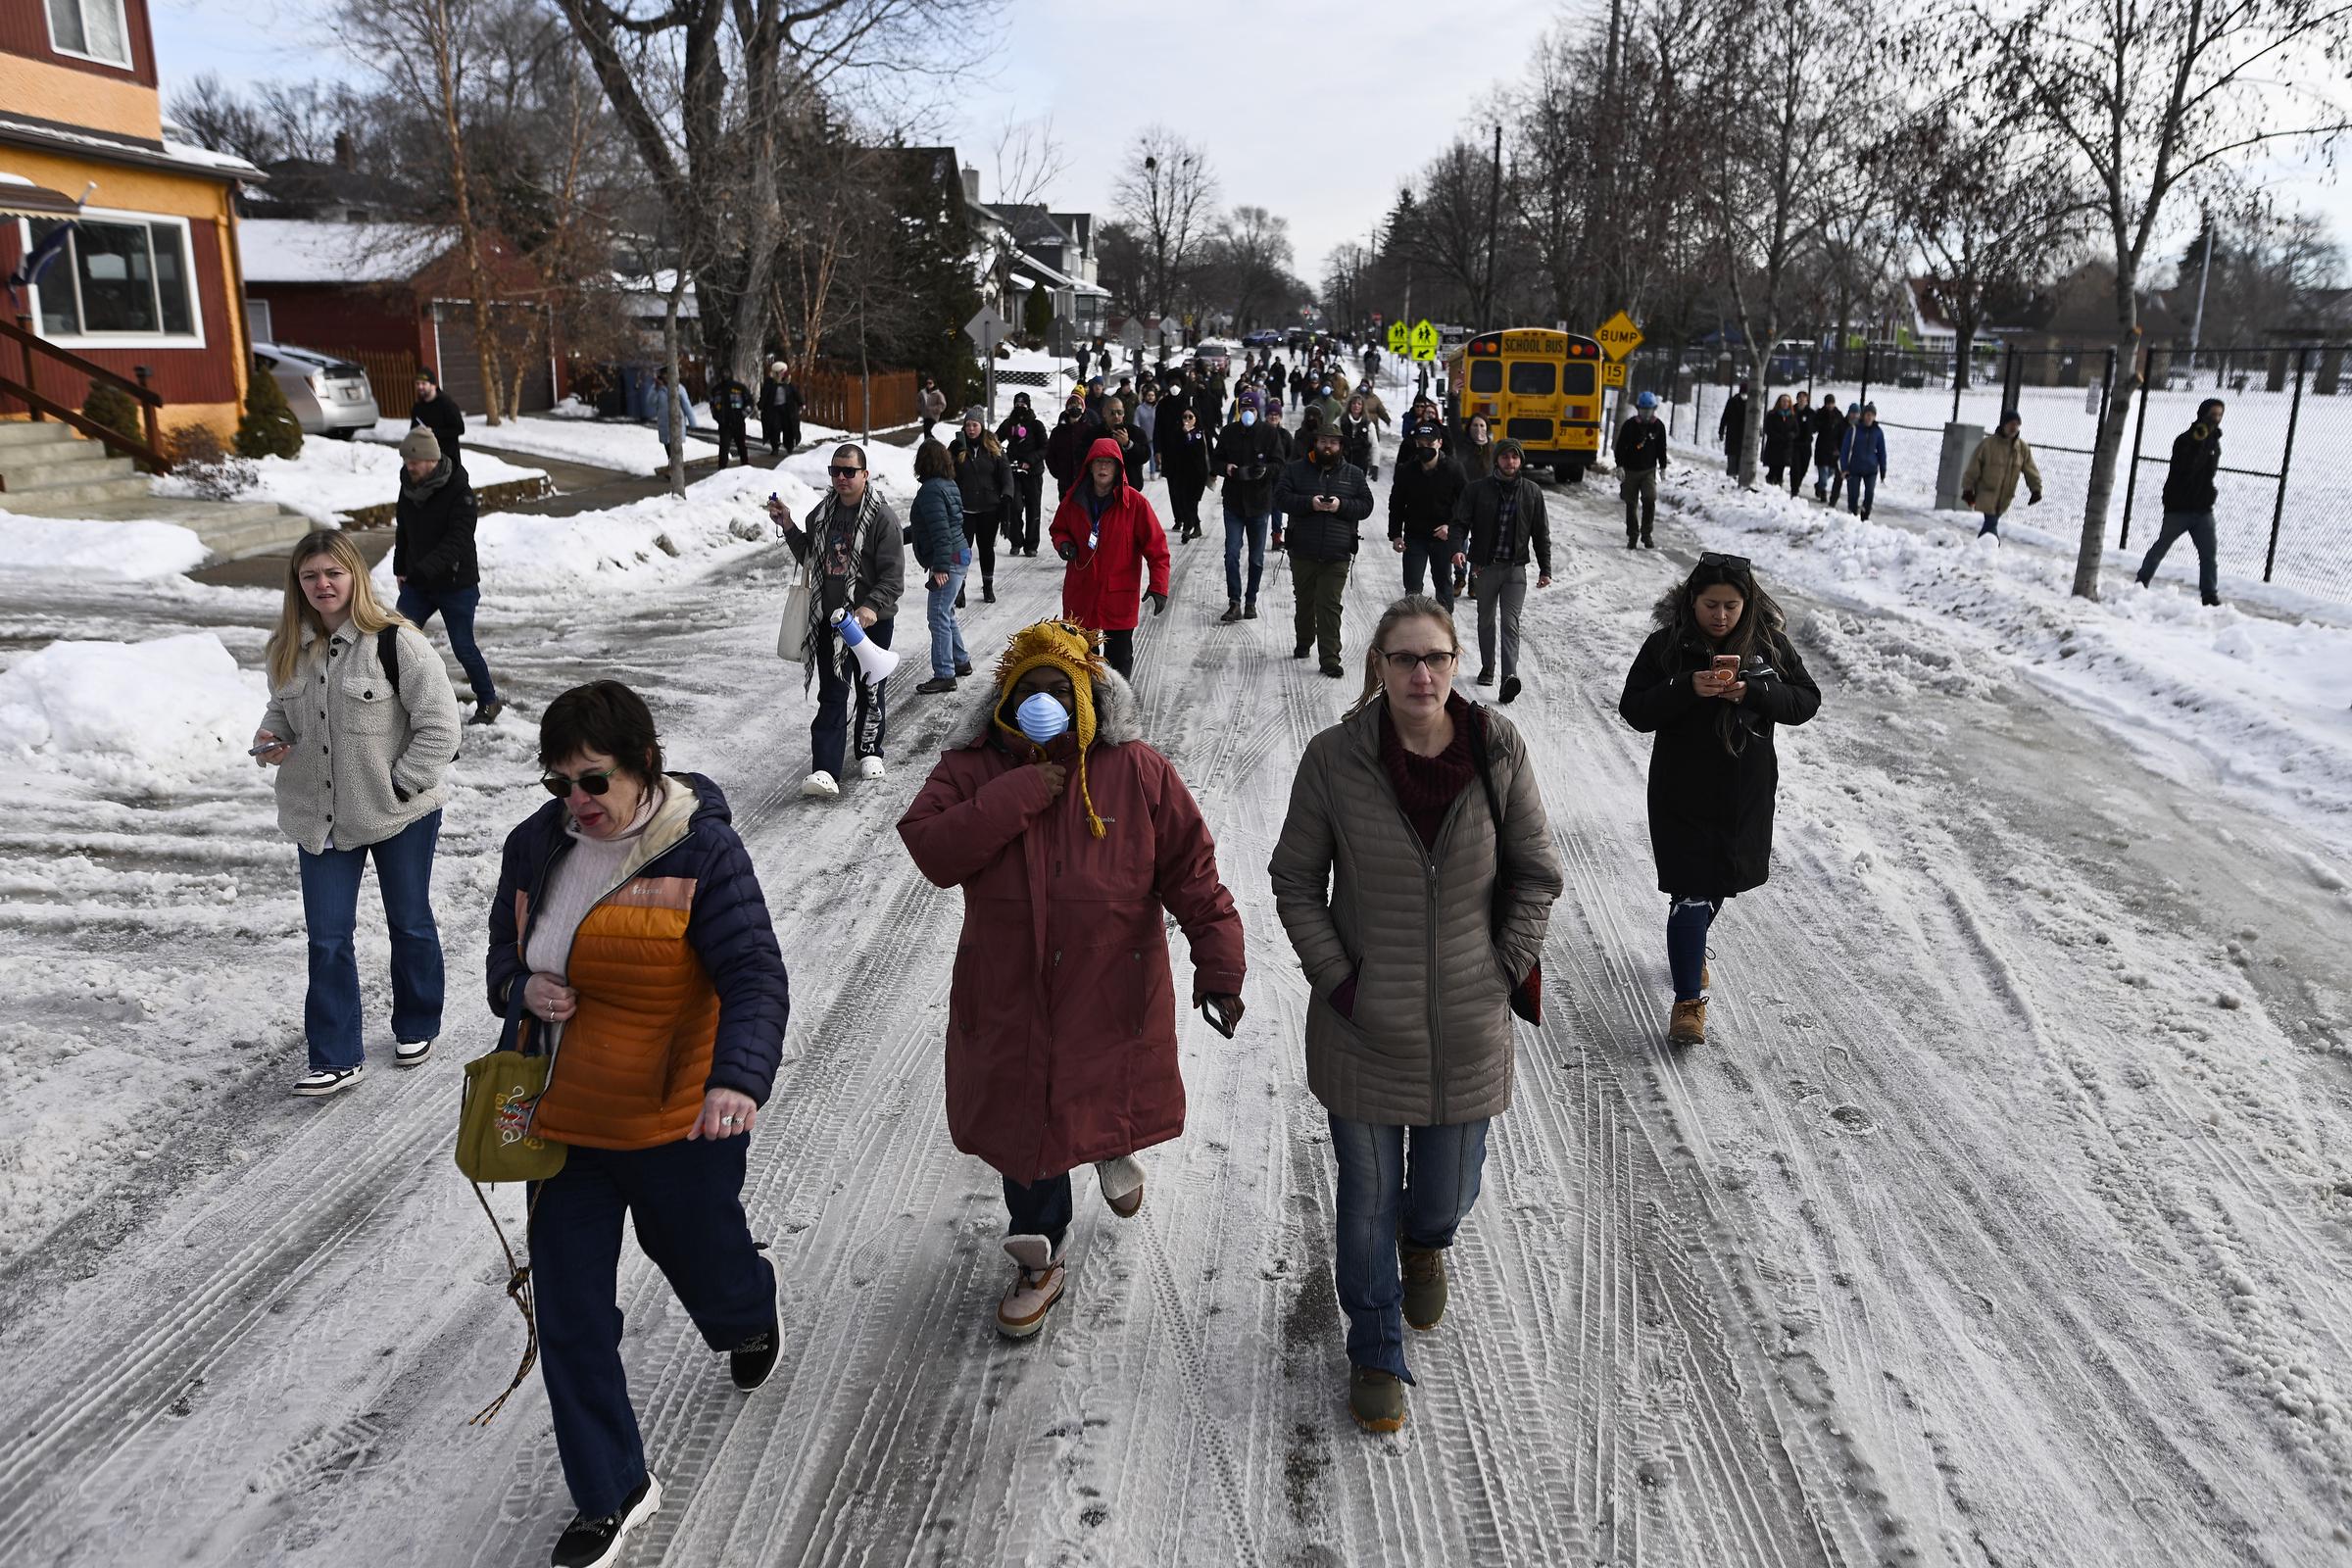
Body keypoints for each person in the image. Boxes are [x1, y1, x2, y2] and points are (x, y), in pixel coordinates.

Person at [486, 680, 789, 1568]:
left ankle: (747, 1312)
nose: (576, 804)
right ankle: (611, 1492)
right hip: (567, 1123)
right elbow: (502, 960)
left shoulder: (705, 854)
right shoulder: (535, 846)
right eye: (558, 786)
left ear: (643, 766)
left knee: (707, 1263)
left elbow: (756, 977)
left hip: (675, 1121)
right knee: (573, 1315)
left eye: (593, 782)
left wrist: (737, 1079)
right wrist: (521, 988)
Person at [898, 619, 1245, 1339]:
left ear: (1089, 694)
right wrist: (1022, 790)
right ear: (1004, 698)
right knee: (1026, 1120)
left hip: (1110, 989)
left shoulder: (1139, 770)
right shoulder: (973, 768)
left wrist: (1220, 965)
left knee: (1095, 1087)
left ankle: (1110, 1149)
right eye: (1029, 689)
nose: (1044, 701)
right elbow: (931, 848)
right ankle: (1039, 1255)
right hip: (1008, 992)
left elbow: (1193, 873)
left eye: (1060, 688)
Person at [1268, 594, 1564, 1435]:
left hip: (1470, 1026)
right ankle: (1374, 1346)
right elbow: (1295, 879)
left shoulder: (1497, 748)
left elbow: (1537, 871)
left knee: (1443, 1192)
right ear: (1380, 668)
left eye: (1435, 657)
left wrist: (1501, 970)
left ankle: (1428, 1241)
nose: (1421, 674)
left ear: (1456, 659)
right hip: (1363, 1030)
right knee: (1366, 1203)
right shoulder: (1335, 759)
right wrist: (1341, 981)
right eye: (1403, 659)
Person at [252, 529, 462, 1096]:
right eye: (309, 576)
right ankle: (335, 1054)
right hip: (318, 815)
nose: (322, 584)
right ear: (298, 585)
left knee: (409, 921)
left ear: (354, 577)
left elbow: (442, 726)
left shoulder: (397, 642)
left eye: (333, 573)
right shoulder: (288, 649)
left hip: (397, 812)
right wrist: (270, 739)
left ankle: (417, 1021)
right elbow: (280, 715)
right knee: (327, 937)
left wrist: (401, 784)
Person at [1618, 554, 1821, 1048]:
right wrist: (1687, 687)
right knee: (1690, 889)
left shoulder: (1768, 646)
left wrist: (1753, 692)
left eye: (1732, 605)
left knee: (1720, 884)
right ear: (1692, 601)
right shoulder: (1666, 646)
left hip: (1743, 793)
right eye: (1712, 605)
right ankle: (1688, 1002)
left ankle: (1690, 947)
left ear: (1747, 604)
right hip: (1680, 791)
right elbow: (1635, 709)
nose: (1722, 615)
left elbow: (1805, 700)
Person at [769, 443, 905, 798]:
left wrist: (871, 607)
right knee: (832, 693)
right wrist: (788, 526)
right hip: (830, 622)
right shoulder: (823, 513)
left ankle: (870, 751)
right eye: (836, 471)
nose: (841, 478)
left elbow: (893, 577)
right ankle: (825, 769)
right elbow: (810, 556)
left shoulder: (882, 518)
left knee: (870, 689)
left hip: (870, 622)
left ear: (865, 474)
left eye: (849, 471)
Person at [388, 427, 504, 726]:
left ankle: (488, 701)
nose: (408, 466)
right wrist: (401, 566)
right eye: (406, 461)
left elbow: (459, 541)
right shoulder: (408, 486)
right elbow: (404, 530)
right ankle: (394, 703)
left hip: (456, 584)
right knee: (394, 638)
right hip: (418, 583)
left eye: (413, 461)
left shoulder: (459, 493)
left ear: (430, 460)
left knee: (463, 645)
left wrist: (422, 570)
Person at [1051, 437, 1171, 680]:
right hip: (1081, 594)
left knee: (1119, 663)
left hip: (1118, 596)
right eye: (1098, 463)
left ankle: (1119, 711)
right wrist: (1063, 543)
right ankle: (1088, 712)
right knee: (1082, 663)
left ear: (1118, 468)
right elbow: (1058, 528)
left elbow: (1157, 547)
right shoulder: (1073, 500)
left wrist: (1159, 585)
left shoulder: (1135, 504)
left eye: (1108, 463)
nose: (1103, 468)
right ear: (1090, 466)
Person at [1451, 438, 1552, 704]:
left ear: (1521, 461)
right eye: (1506, 457)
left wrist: (1545, 568)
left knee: (1510, 623)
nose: (1511, 462)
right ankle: (1488, 667)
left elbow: (1541, 532)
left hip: (1516, 570)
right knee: (1485, 619)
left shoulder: (1532, 492)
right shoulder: (1477, 490)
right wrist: (1457, 549)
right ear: (1497, 460)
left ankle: (1509, 678)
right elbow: (1460, 523)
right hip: (1485, 567)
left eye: (1515, 458)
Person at [1273, 422, 1375, 679]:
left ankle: (1330, 657)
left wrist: (1341, 505)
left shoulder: (1353, 474)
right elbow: (1280, 498)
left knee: (1329, 604)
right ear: (1315, 443)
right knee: (1305, 601)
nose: (1327, 446)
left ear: (1341, 446)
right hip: (1302, 549)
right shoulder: (1295, 470)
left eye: (1333, 442)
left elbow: (1366, 506)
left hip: (1337, 551)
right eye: (1322, 441)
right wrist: (1310, 504)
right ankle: (1304, 640)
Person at [2136, 398, 2225, 606]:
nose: (2216, 419)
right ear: (2202, 414)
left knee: (2209, 554)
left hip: (2203, 509)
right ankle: (2141, 582)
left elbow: (2208, 473)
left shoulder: (2214, 442)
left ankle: (2209, 595)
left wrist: (2208, 444)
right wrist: (2199, 444)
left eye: (2219, 415)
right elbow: (2186, 469)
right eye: (2212, 414)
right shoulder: (2185, 440)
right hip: (2179, 507)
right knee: (2161, 548)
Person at [1214, 388, 1285, 622]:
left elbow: (1279, 464)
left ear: (1258, 411)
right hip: (1234, 503)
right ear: (1238, 410)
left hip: (1259, 503)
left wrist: (1265, 471)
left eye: (1251, 409)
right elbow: (1214, 461)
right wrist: (1227, 468)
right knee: (1231, 554)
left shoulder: (1269, 433)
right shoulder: (1228, 432)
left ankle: (1251, 600)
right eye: (1244, 409)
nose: (1247, 413)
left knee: (1256, 558)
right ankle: (1234, 601)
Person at [909, 439, 970, 695]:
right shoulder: (948, 484)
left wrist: (940, 567)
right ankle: (960, 661)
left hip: (949, 560)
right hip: (959, 554)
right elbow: (929, 526)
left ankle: (945, 674)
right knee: (946, 613)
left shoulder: (931, 490)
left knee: (937, 616)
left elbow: (941, 532)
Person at [1389, 420, 1465, 610]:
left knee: (1444, 585)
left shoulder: (1454, 469)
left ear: (1439, 443)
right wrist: (1395, 534)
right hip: (1415, 536)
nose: (1425, 449)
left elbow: (1465, 504)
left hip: (1442, 537)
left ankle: (1447, 630)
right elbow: (1396, 503)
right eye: (1421, 444)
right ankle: (1413, 627)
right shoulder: (1406, 470)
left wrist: (1450, 526)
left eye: (1429, 444)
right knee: (1412, 587)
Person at [950, 411, 1012, 605]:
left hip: (989, 509)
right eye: (968, 425)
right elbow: (945, 471)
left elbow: (1006, 474)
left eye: (974, 425)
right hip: (964, 509)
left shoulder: (993, 448)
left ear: (982, 426)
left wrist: (1007, 496)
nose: (970, 429)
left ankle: (988, 586)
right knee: (962, 551)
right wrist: (951, 453)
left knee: (986, 549)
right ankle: (960, 589)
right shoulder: (958, 447)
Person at [1960, 409, 2044, 538]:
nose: (2014, 427)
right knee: (1991, 523)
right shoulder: (1987, 445)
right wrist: (1967, 489)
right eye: (2011, 424)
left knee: (1991, 524)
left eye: (2016, 424)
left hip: (2005, 496)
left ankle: (1981, 549)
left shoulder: (2022, 448)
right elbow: (1973, 468)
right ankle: (1989, 549)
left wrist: (2036, 490)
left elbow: (2030, 470)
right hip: (1987, 493)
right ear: (2003, 424)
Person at [997, 392, 1050, 556]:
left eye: (1023, 404)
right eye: (1017, 404)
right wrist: (1002, 455)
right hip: (1013, 473)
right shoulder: (1008, 424)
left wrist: (1030, 460)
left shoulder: (1036, 425)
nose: (1020, 407)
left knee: (1034, 510)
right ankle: (1016, 541)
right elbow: (994, 441)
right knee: (1014, 506)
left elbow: (1045, 448)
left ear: (1029, 405)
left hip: (1033, 473)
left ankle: (1031, 546)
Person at [1614, 390, 1668, 549]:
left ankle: (1646, 534)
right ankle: (1632, 534)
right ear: (1638, 409)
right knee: (1631, 503)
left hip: (1648, 470)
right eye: (1644, 410)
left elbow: (1661, 448)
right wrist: (1620, 466)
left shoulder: (1658, 427)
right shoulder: (1629, 425)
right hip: (1630, 471)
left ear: (1654, 410)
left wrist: (1663, 467)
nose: (1646, 413)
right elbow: (1620, 447)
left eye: (1649, 410)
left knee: (1649, 499)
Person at [1163, 404, 1212, 544]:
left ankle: (1188, 527)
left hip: (1198, 474)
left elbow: (1209, 452)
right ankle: (1195, 525)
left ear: (1196, 419)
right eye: (1185, 417)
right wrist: (1183, 434)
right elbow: (1173, 451)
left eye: (1190, 417)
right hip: (1181, 473)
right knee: (1184, 502)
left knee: (1192, 501)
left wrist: (1213, 471)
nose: (1187, 419)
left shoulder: (1202, 433)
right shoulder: (1177, 433)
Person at [1046, 390, 1101, 501]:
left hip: (1085, 481)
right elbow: (1050, 453)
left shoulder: (1090, 430)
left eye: (1078, 405)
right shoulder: (1058, 431)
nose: (1075, 408)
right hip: (1065, 482)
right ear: (1067, 409)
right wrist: (1058, 472)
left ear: (1083, 408)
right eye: (1071, 405)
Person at [1838, 403, 1886, 520]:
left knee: (1869, 493)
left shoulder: (1878, 432)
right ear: (1863, 415)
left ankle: (1865, 514)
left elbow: (1882, 451)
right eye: (1867, 414)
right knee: (1853, 494)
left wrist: (1883, 468)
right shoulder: (1853, 430)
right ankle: (1853, 513)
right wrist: (1844, 468)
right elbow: (1845, 450)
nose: (1869, 417)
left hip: (1871, 468)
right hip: (1854, 468)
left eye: (1872, 415)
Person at [409, 368, 465, 459]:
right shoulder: (417, 407)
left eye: (424, 384)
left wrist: (433, 432)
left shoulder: (446, 404)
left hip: (447, 458)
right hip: (425, 458)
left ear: (433, 385)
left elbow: (459, 429)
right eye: (418, 384)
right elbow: (413, 430)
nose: (420, 387)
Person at [1103, 396, 1152, 490]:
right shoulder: (1095, 433)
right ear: (1104, 413)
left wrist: (1128, 444)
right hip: (1104, 488)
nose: (1116, 416)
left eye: (1119, 412)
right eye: (1112, 413)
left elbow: (1145, 455)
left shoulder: (1136, 432)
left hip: (1131, 486)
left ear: (1124, 413)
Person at [710, 370, 755, 467]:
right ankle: (721, 469)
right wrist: (718, 418)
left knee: (741, 446)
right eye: (723, 373)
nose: (724, 375)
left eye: (726, 373)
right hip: (724, 424)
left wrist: (742, 414)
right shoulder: (716, 390)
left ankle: (745, 466)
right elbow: (712, 406)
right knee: (724, 447)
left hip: (738, 422)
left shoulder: (739, 388)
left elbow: (750, 402)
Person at [760, 360, 803, 456]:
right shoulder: (769, 383)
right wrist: (761, 405)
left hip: (787, 410)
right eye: (780, 372)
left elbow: (796, 394)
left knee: (788, 429)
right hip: (774, 410)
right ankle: (775, 447)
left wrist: (801, 403)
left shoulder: (789, 383)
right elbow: (765, 395)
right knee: (774, 428)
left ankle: (789, 447)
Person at [653, 368, 694, 466]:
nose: (666, 377)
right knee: (668, 448)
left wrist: (692, 422)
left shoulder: (679, 388)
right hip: (664, 424)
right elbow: (650, 402)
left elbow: (687, 406)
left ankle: (676, 470)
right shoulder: (658, 389)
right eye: (664, 375)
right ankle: (673, 468)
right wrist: (655, 389)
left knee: (676, 448)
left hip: (677, 423)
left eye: (668, 375)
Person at [1339, 392, 1381, 481]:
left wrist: (1375, 465)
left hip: (1361, 465)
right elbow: (1332, 436)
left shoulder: (1368, 424)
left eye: (1359, 404)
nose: (1356, 406)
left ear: (1362, 407)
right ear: (1350, 405)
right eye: (1353, 403)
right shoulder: (1341, 421)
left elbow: (1374, 446)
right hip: (1342, 464)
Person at [1760, 392, 1798, 489]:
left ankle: (1778, 485)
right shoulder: (1772, 414)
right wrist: (1778, 437)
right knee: (1773, 467)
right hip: (1774, 446)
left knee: (1781, 468)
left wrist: (1791, 435)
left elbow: (1796, 430)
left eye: (1787, 401)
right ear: (1779, 402)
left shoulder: (1792, 416)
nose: (1785, 403)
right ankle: (1770, 483)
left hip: (1785, 447)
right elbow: (1768, 429)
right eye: (1783, 401)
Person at [1810, 394, 1843, 502]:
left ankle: (1819, 485)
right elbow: (1814, 427)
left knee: (1831, 471)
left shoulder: (1838, 415)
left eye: (1832, 403)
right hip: (1822, 446)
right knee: (1823, 471)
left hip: (1833, 448)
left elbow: (1842, 430)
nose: (1830, 405)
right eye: (1828, 403)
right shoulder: (1820, 414)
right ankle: (1823, 491)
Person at [1718, 381, 1749, 477]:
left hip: (1744, 437)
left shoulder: (1751, 404)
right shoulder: (1732, 402)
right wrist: (1721, 431)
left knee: (1741, 462)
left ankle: (1737, 478)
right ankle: (1731, 479)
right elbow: (1725, 417)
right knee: (1732, 461)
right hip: (1733, 436)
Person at [1786, 390, 1812, 496]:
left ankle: (1798, 482)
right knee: (1795, 467)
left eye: (1804, 397)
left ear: (1807, 399)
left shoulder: (1810, 413)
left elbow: (1815, 425)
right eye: (1800, 397)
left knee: (1804, 467)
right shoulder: (1792, 410)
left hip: (1806, 444)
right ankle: (1794, 489)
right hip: (1795, 444)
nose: (1802, 399)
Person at [917, 375, 947, 440]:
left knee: (928, 430)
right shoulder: (923, 392)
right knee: (926, 432)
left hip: (933, 416)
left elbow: (943, 405)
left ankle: (934, 444)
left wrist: (934, 409)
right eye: (927, 383)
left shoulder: (938, 394)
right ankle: (927, 445)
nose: (928, 385)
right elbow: (918, 400)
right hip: (925, 415)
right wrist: (920, 408)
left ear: (934, 384)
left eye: (930, 383)